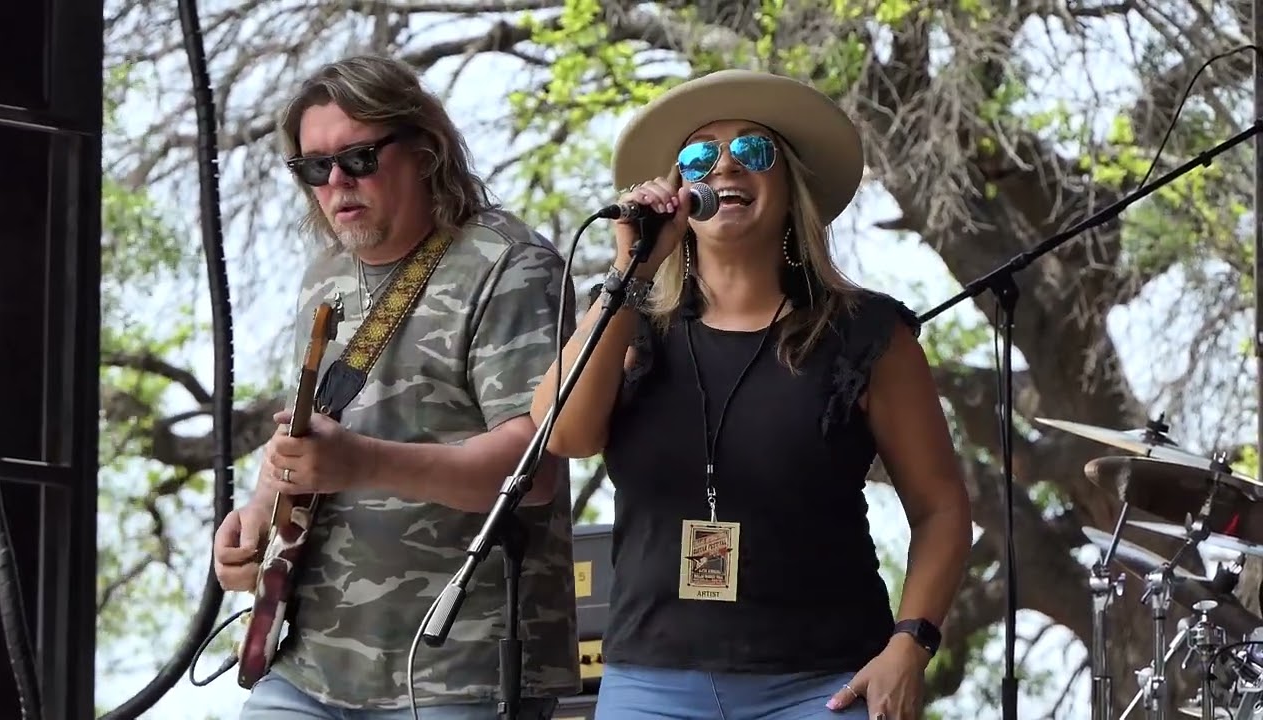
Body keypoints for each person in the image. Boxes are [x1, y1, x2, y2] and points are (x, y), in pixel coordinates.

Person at [530, 70, 974, 720]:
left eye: (754, 150)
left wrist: (911, 643)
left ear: (789, 185)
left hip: (822, 685)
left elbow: (942, 511)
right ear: (681, 191)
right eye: (700, 156)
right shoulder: (631, 319)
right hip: (651, 682)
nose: (727, 164)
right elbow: (562, 434)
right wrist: (630, 272)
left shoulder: (867, 334)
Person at [211, 54, 581, 720]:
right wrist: (257, 518)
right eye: (313, 168)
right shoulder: (325, 272)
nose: (336, 184)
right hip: (311, 664)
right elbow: (308, 431)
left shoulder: (510, 264)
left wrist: (363, 462)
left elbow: (536, 466)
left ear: (425, 149)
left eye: (357, 158)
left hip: (461, 673)